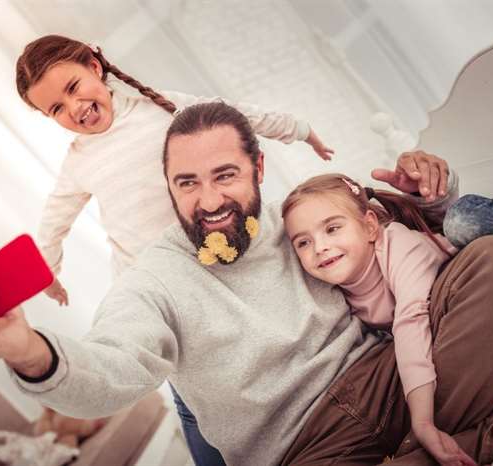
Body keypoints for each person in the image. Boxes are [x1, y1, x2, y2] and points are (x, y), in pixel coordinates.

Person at [0, 102, 493, 466]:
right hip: (304, 448)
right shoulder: (154, 278)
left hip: (387, 381)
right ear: (169, 186)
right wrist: (26, 353)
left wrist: (435, 184)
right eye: (187, 182)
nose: (208, 202)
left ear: (257, 169)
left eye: (224, 176)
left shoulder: (299, 218)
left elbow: (414, 231)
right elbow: (112, 368)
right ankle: (488, 433)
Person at [17, 34, 334, 463]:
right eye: (56, 108)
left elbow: (233, 115)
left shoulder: (159, 108)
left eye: (73, 88)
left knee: (231, 357)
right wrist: (48, 273)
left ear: (95, 66)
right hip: (153, 286)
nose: (73, 109)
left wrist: (299, 130)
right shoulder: (79, 161)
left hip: (207, 256)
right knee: (188, 391)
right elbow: (55, 220)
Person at [281, 174, 493, 465]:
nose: (319, 247)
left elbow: (411, 321)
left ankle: (426, 445)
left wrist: (423, 422)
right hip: (487, 342)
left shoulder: (397, 245)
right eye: (303, 242)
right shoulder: (339, 293)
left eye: (332, 228)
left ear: (369, 227)